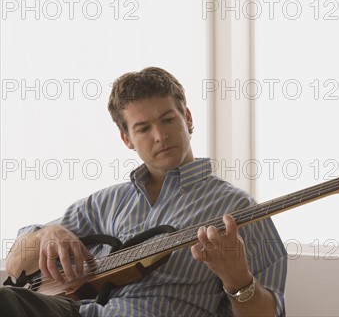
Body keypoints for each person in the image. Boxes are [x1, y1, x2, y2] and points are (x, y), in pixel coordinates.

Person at [1, 67, 287, 317]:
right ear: (127, 139)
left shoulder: (238, 209)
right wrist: (48, 233)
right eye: (143, 128)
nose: (160, 136)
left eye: (167, 120)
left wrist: (238, 279)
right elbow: (15, 268)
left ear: (187, 118)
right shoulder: (105, 203)